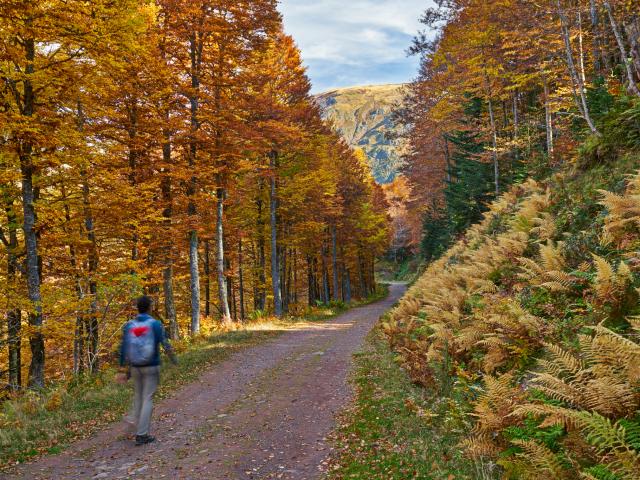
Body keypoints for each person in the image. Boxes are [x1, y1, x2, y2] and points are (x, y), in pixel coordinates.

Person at [119, 295, 177, 446]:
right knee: (148, 398)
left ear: (137, 308)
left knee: (138, 396)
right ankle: (142, 434)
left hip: (135, 367)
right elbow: (163, 342)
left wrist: (122, 368)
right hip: (151, 366)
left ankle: (133, 418)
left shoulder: (130, 325)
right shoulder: (155, 324)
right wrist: (173, 358)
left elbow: (124, 347)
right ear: (150, 308)